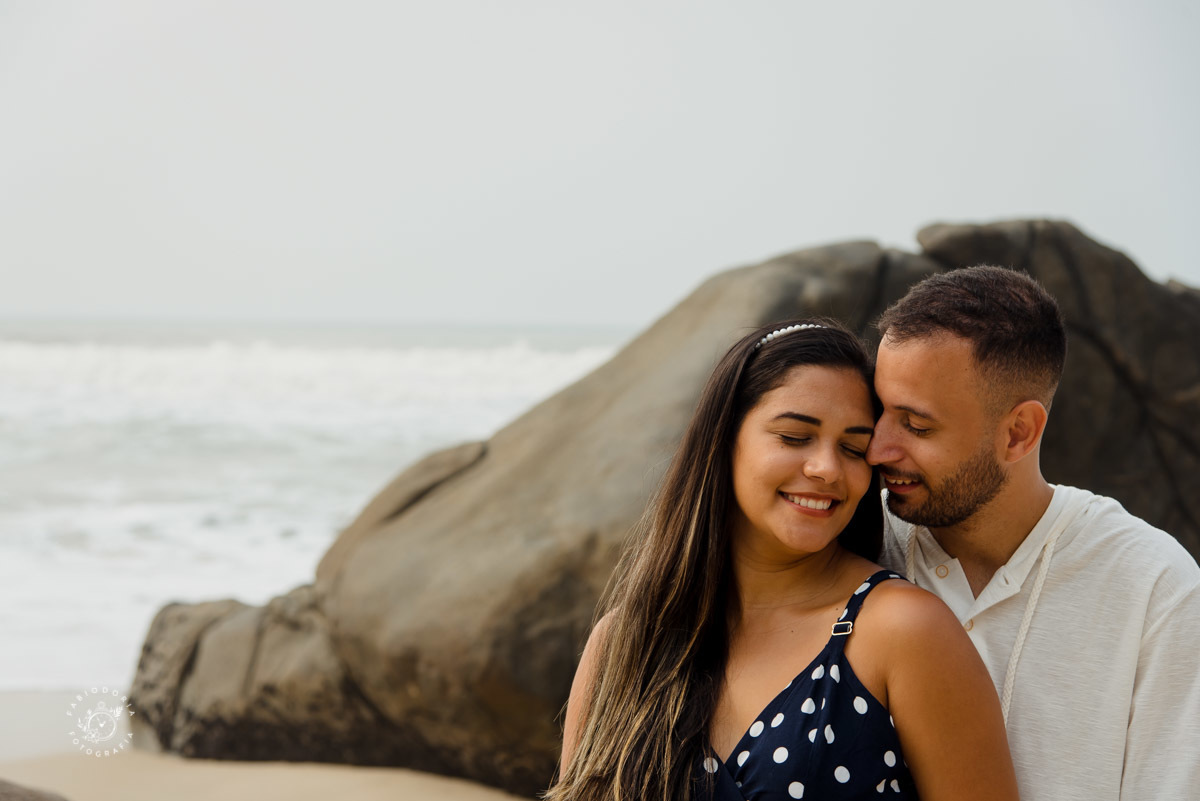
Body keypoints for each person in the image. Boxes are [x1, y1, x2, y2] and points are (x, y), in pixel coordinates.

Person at [547, 319, 1018, 801]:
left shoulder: (901, 631)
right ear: (724, 441)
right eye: (795, 437)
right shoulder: (624, 643)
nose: (827, 468)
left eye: (854, 449)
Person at [866, 265, 1200, 801]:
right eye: (877, 412)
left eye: (917, 425)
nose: (878, 449)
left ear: (1019, 433)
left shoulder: (1157, 588)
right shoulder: (854, 541)